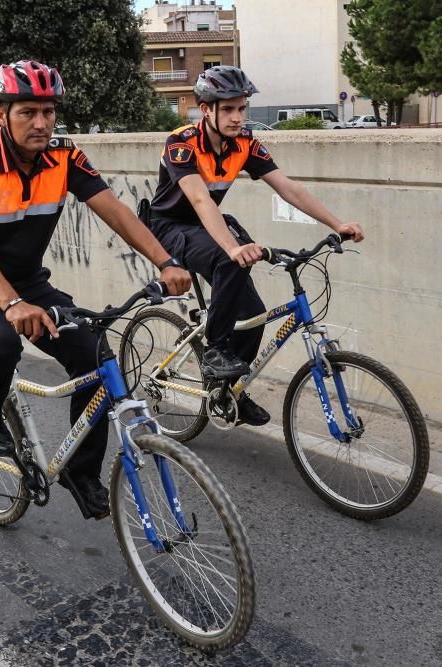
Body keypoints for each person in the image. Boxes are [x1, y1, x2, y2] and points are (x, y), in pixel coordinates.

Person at [0, 60, 191, 520]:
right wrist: (10, 303)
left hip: (28, 280)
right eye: (27, 111)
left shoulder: (65, 157)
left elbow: (118, 214)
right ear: (1, 114)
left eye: (48, 112)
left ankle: (79, 471)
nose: (41, 123)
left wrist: (166, 261)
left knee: (95, 356)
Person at [148, 65, 364, 426]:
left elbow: (288, 187)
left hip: (210, 225)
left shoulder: (245, 143)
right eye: (228, 109)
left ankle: (229, 390)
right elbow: (200, 201)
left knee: (252, 316)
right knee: (230, 259)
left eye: (242, 108)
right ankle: (214, 350)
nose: (237, 117)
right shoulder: (182, 143)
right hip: (171, 227)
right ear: (206, 110)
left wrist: (337, 223)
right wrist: (233, 248)